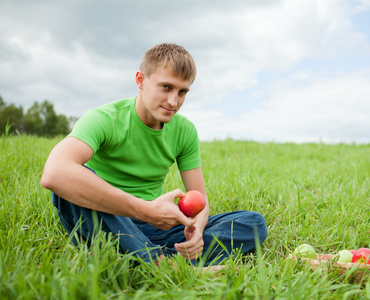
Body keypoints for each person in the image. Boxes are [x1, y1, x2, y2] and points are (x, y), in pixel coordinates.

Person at [40, 43, 268, 267]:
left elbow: (199, 198)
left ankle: (155, 259)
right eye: (166, 87)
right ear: (140, 80)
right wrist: (145, 210)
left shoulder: (184, 130)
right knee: (71, 184)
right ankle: (166, 265)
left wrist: (196, 232)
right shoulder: (105, 118)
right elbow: (54, 173)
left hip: (158, 226)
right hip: (108, 219)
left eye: (182, 92)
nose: (173, 101)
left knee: (252, 223)